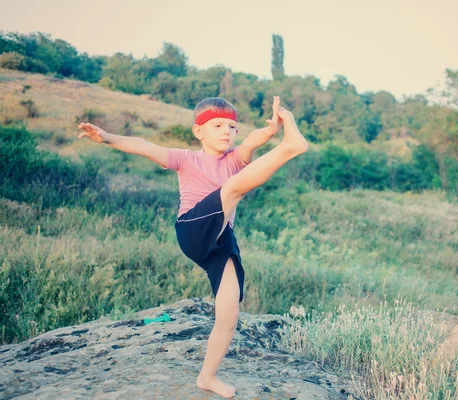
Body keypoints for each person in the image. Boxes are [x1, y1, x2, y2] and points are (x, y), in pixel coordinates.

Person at [77, 96, 308, 398]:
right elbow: (145, 146)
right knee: (233, 188)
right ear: (198, 131)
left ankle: (207, 377)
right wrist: (106, 138)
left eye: (232, 126)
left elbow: (253, 140)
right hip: (193, 229)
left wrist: (273, 128)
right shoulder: (186, 159)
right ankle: (291, 148)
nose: (227, 131)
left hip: (221, 239)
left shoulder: (237, 158)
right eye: (217, 125)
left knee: (228, 312)